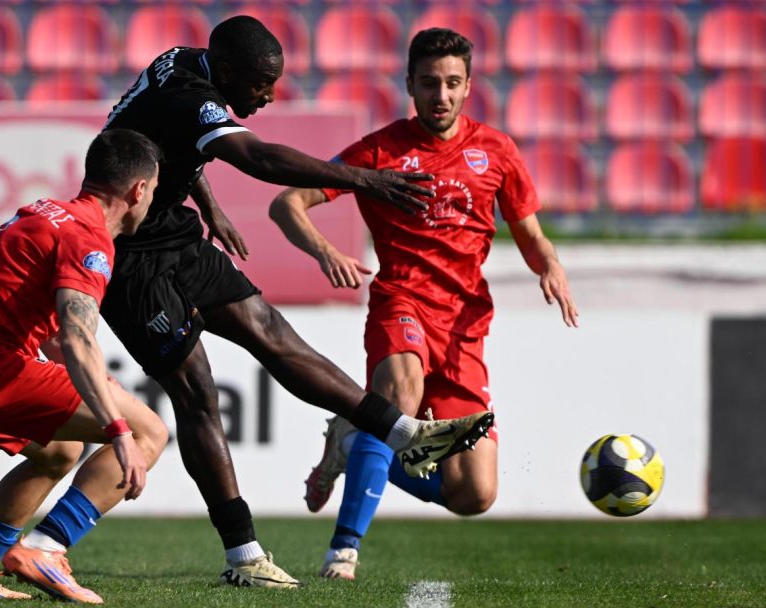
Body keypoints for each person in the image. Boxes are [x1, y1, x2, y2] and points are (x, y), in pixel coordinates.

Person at [99, 16, 495, 587]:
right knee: (197, 394)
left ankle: (402, 433)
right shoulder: (190, 92)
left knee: (271, 331)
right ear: (227, 72)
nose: (269, 96)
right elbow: (258, 159)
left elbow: (167, 139)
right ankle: (243, 556)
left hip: (175, 235)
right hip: (132, 258)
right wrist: (363, 179)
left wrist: (209, 207)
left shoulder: (185, 61)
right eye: (261, 84)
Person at [269, 28, 580, 580]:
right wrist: (324, 250)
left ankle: (352, 441)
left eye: (453, 83)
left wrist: (550, 265)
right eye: (430, 83)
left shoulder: (497, 151)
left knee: (473, 494)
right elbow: (287, 202)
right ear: (410, 84)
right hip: (402, 303)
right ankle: (344, 549)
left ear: (469, 86)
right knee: (400, 394)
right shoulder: (379, 152)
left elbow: (531, 235)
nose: (442, 95)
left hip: (464, 327)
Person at [0, 129, 169, 603]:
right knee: (148, 432)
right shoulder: (88, 238)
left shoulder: (46, 214)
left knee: (59, 450)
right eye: (154, 190)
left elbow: (52, 335)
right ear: (139, 190)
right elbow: (77, 338)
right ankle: (46, 549)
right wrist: (118, 430)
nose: (152, 200)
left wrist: (96, 384)